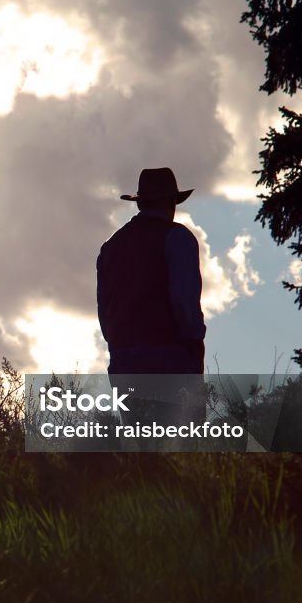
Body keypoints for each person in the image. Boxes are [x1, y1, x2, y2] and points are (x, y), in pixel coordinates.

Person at [97, 168, 207, 444]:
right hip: (170, 358)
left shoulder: (111, 246)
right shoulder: (178, 238)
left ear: (139, 202)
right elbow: (185, 303)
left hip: (125, 360)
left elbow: (104, 312)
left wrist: (120, 348)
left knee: (146, 452)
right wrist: (194, 340)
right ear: (172, 203)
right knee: (183, 451)